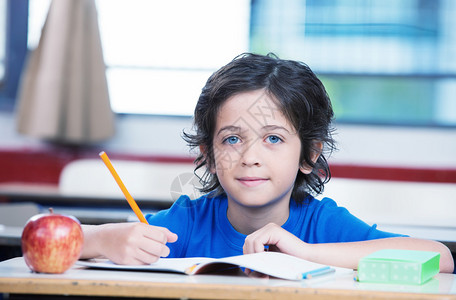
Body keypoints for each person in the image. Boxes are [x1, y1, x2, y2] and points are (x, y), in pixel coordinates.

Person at [81, 53, 454, 273]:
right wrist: (102, 238)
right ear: (209, 156)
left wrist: (306, 252)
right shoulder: (187, 223)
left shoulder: (322, 224)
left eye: (273, 138)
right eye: (232, 139)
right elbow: (45, 242)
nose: (250, 157)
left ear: (308, 155)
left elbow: (440, 258)